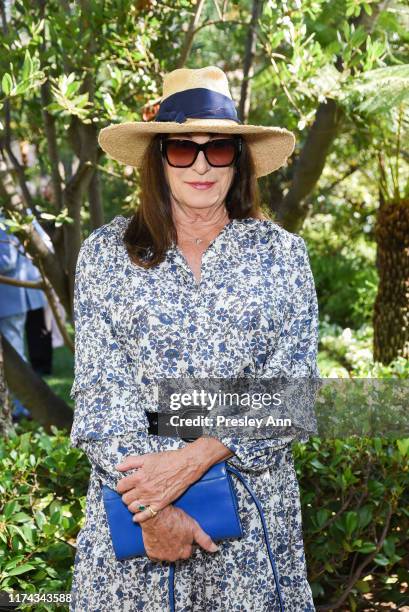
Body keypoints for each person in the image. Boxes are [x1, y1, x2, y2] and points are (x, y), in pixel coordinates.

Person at [69, 66, 320, 611]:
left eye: (219, 150)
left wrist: (193, 459)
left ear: (241, 159)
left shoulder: (283, 256)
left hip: (255, 532)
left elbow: (294, 392)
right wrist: (154, 513)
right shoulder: (105, 256)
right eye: (183, 149)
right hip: (134, 528)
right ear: (158, 160)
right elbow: (100, 397)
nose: (202, 165)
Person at [0, 212, 49, 419]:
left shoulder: (5, 218)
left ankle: (20, 409)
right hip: (18, 298)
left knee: (16, 354)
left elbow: (6, 260)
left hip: (10, 300)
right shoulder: (17, 214)